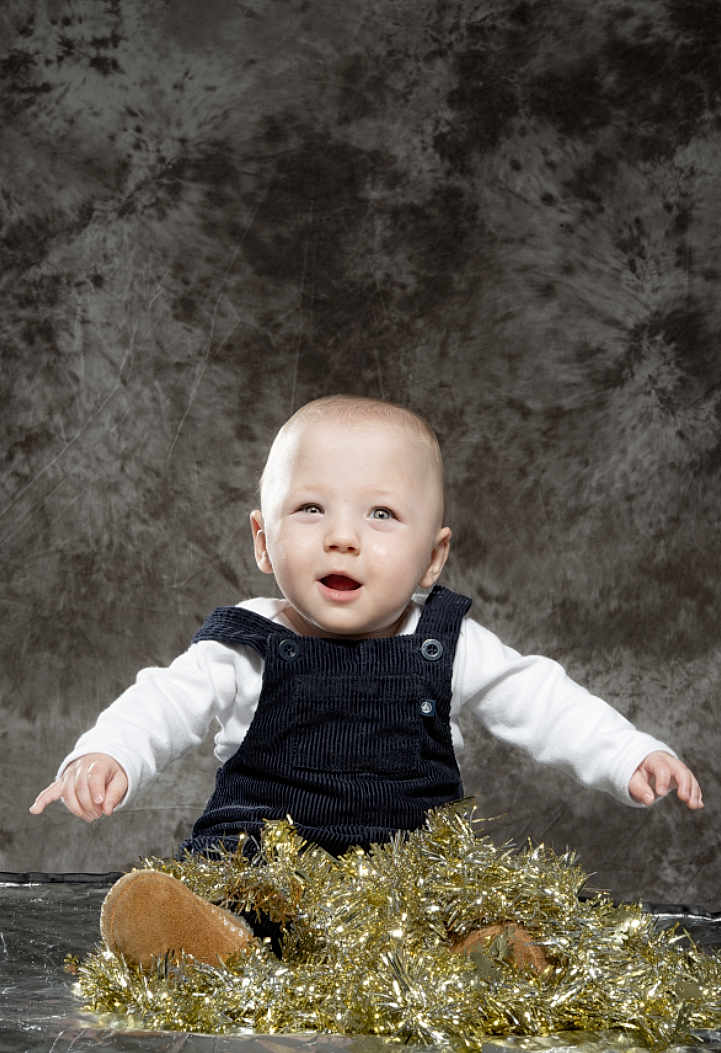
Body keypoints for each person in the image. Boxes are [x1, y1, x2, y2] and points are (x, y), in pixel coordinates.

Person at [30, 395, 703, 968]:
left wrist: (627, 752)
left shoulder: (447, 640)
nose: (343, 536)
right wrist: (107, 754)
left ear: (432, 556)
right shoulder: (246, 644)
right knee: (215, 892)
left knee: (452, 911)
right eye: (311, 509)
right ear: (263, 541)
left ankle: (475, 958)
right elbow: (161, 701)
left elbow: (543, 700)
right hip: (263, 872)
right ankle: (211, 947)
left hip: (407, 877)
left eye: (380, 514)